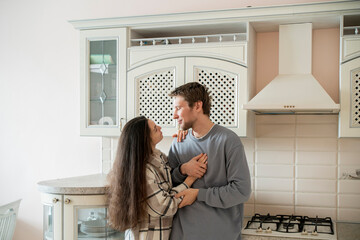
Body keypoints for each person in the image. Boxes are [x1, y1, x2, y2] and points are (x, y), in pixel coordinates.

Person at [168, 82, 252, 240]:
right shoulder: (178, 142)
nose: (174, 115)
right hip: (182, 235)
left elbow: (241, 191)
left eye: (178, 108)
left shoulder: (228, 140)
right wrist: (183, 170)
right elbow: (166, 186)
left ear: (198, 106)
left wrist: (198, 194)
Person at [107, 116, 208, 240]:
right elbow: (164, 206)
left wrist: (183, 167)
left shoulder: (157, 156)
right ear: (145, 140)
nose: (160, 127)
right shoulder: (143, 171)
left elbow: (167, 181)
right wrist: (189, 181)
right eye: (155, 129)